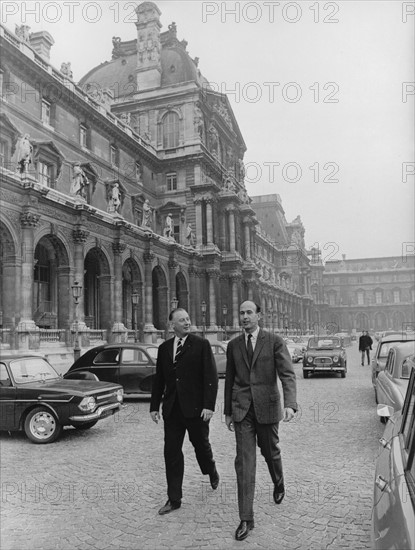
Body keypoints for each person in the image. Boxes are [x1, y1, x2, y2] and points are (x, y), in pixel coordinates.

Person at [224, 301, 298, 541]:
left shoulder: (274, 341)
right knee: (244, 463)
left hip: (267, 407)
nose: (244, 317)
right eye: (241, 313)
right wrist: (227, 411)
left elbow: (287, 373)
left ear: (259, 315)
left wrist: (290, 403)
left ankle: (278, 480)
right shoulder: (234, 345)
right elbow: (230, 379)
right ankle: (246, 518)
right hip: (242, 410)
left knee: (270, 451)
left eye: (249, 313)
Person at [150, 308, 219, 515]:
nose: (187, 323)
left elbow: (211, 378)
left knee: (201, 447)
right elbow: (159, 380)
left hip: (196, 410)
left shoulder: (201, 345)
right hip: (172, 410)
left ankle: (211, 469)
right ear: (172, 325)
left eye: (188, 319)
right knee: (171, 453)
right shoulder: (163, 349)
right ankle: (174, 499)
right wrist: (154, 407)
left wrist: (209, 406)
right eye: (182, 320)